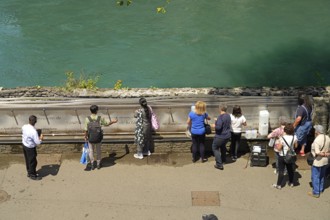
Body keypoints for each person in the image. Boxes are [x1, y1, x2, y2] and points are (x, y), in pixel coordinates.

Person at [84, 105, 117, 170]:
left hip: (90, 138)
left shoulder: (87, 119)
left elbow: (86, 130)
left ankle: (93, 164)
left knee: (91, 151)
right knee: (98, 151)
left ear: (90, 111)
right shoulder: (100, 118)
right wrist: (113, 121)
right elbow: (107, 124)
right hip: (98, 137)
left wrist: (85, 137)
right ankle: (98, 164)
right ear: (97, 110)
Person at [272, 123, 298, 189]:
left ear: (285, 130)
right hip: (291, 155)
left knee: (281, 170)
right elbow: (296, 146)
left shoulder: (282, 138)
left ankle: (279, 185)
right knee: (290, 170)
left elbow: (279, 148)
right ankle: (291, 183)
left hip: (282, 156)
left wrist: (277, 144)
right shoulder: (294, 137)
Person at [308, 125, 330, 198]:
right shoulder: (327, 137)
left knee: (315, 176)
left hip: (317, 161)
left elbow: (317, 152)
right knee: (322, 176)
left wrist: (323, 153)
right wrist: (327, 154)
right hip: (325, 161)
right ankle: (320, 189)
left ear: (317, 131)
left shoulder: (317, 140)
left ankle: (316, 192)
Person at [22, 115, 43, 180]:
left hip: (25, 145)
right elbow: (38, 142)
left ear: (29, 120)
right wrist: (41, 138)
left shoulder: (24, 126)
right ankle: (32, 175)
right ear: (35, 121)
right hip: (30, 148)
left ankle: (29, 172)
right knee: (33, 162)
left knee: (28, 160)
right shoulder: (33, 132)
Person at [212, 105, 231, 170]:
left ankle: (219, 164)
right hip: (227, 135)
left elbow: (218, 127)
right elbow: (224, 123)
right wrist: (217, 121)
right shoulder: (228, 116)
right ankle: (223, 160)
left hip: (221, 136)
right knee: (223, 146)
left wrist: (214, 125)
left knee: (215, 148)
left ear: (220, 109)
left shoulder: (220, 117)